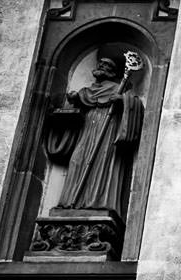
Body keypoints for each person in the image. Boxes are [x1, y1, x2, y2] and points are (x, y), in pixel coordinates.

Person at [54, 53, 144, 214]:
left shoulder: (118, 88)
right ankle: (70, 201)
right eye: (101, 64)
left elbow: (136, 106)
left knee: (102, 162)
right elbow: (75, 108)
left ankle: (96, 202)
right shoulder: (87, 91)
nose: (102, 66)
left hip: (107, 130)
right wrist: (73, 99)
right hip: (87, 129)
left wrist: (123, 101)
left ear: (113, 72)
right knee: (77, 160)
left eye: (107, 65)